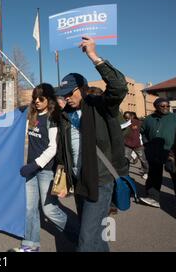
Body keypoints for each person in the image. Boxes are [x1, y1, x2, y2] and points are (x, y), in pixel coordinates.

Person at [55, 36, 129, 252]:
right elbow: (64, 152)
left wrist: (93, 56)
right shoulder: (65, 115)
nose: (67, 98)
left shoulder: (100, 105)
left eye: (70, 93)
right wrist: (62, 182)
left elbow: (118, 87)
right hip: (79, 182)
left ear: (83, 88)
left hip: (100, 181)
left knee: (86, 241)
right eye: (63, 94)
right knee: (95, 237)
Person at [11, 83, 77, 252]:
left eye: (41, 98)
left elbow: (53, 148)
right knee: (30, 208)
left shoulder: (53, 118)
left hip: (46, 170)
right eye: (35, 98)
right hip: (31, 170)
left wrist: (35, 164)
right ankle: (31, 244)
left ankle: (82, 237)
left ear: (49, 99)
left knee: (49, 210)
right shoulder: (31, 116)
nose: (37, 101)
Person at [139, 98, 176, 208]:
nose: (165, 108)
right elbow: (143, 133)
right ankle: (153, 197)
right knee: (154, 175)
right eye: (162, 106)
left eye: (167, 106)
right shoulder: (148, 119)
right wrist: (147, 144)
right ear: (156, 106)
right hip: (154, 151)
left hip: (172, 152)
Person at [123, 111, 149, 179]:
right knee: (126, 159)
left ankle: (146, 172)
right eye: (125, 118)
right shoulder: (123, 124)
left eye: (128, 118)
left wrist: (145, 140)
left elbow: (144, 130)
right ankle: (126, 174)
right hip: (127, 145)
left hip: (138, 145)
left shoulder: (138, 122)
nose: (126, 119)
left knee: (143, 159)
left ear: (131, 117)